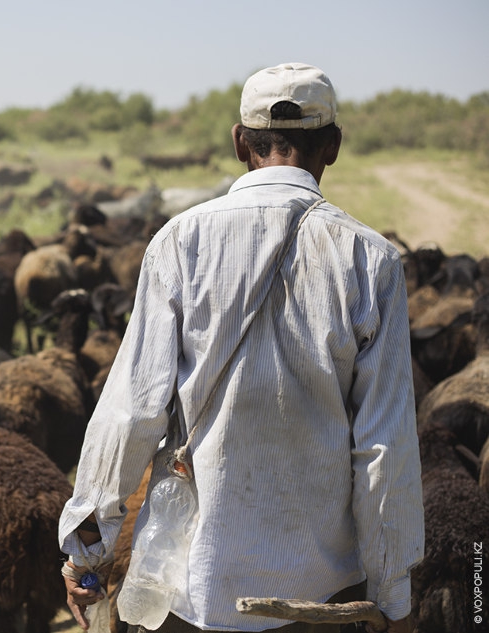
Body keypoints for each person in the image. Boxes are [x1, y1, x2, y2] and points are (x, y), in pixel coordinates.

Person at [59, 63, 425, 633]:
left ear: (239, 143)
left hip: (192, 589)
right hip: (322, 597)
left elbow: (131, 412)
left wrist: (86, 555)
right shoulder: (371, 260)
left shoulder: (178, 243)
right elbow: (384, 447)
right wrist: (393, 596)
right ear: (333, 146)